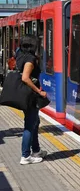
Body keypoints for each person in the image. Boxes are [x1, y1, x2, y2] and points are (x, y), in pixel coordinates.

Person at [18, 35, 48, 165]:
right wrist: (39, 91)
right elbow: (25, 77)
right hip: (30, 96)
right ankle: (25, 156)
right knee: (30, 126)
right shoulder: (30, 59)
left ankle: (36, 150)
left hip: (26, 95)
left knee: (35, 122)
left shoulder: (20, 55)